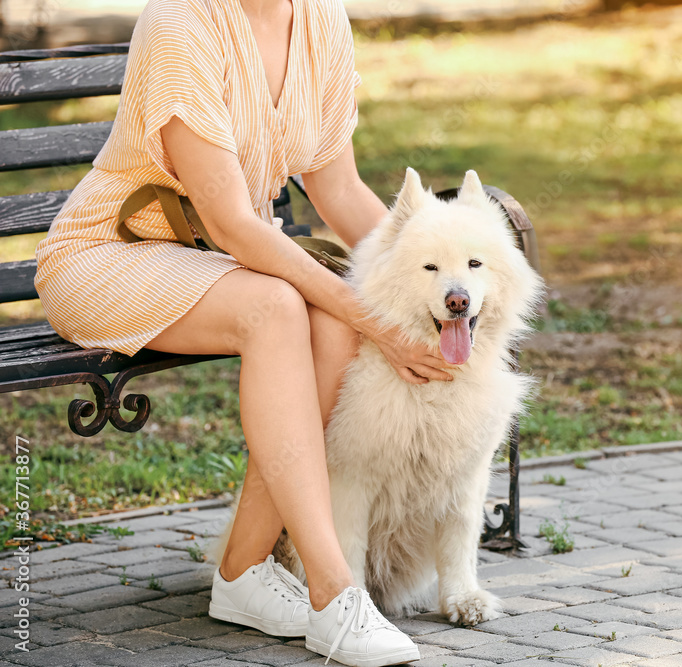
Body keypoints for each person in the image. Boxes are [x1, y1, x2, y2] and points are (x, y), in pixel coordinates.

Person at [33, 0, 453, 663]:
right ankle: (333, 591)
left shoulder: (320, 19)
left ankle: (241, 573)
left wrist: (422, 290)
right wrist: (369, 312)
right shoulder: (181, 22)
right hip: (104, 256)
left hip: (209, 263)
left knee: (330, 328)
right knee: (281, 309)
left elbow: (339, 190)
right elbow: (230, 222)